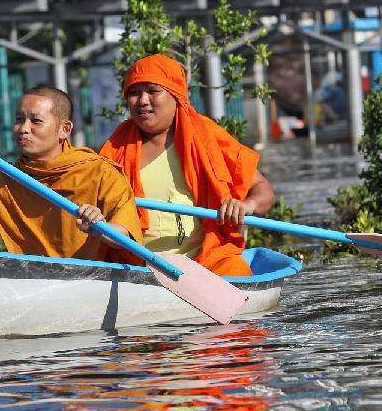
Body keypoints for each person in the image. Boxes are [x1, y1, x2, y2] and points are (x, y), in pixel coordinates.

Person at [99, 54, 276, 277]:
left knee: (235, 271)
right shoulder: (114, 149)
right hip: (138, 268)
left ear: (176, 96)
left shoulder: (207, 136)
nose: (142, 100)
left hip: (208, 262)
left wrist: (247, 205)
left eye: (153, 91)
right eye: (134, 93)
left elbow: (263, 190)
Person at [0, 85, 143, 261]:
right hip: (33, 282)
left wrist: (100, 227)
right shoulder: (2, 179)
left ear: (65, 129)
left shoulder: (100, 172)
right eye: (19, 119)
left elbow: (126, 235)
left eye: (36, 121)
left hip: (93, 281)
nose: (23, 129)